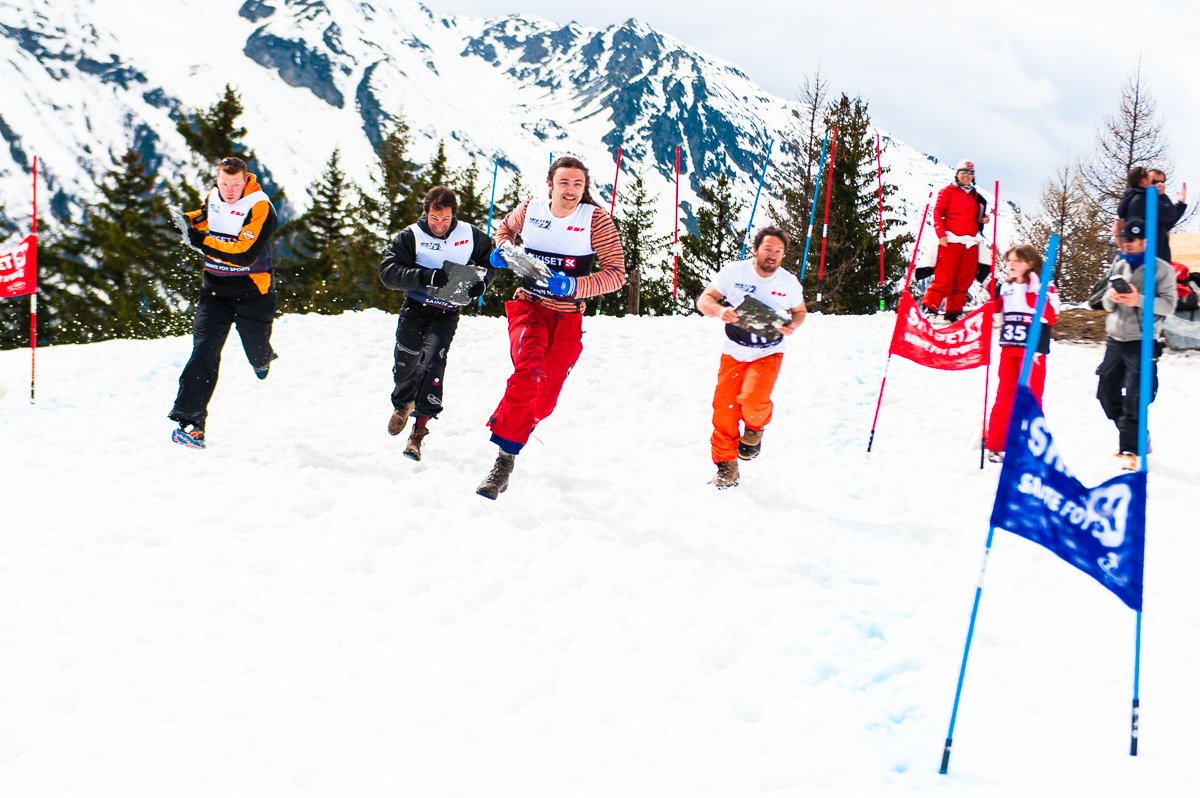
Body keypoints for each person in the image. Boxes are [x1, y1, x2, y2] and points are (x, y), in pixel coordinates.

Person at [475, 155, 626, 499]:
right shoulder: (531, 209)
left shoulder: (595, 220)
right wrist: (503, 250)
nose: (570, 190)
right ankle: (503, 462)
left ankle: (518, 426)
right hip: (528, 307)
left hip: (567, 316)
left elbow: (616, 274)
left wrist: (574, 286)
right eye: (564, 182)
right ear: (550, 184)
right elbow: (505, 229)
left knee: (542, 402)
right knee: (529, 372)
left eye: (578, 184)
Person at [168, 156, 279, 449]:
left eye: (235, 184)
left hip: (253, 294)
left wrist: (200, 241)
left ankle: (263, 359)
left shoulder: (260, 207)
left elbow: (244, 254)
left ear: (246, 181)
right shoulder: (215, 196)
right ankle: (192, 423)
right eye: (224, 183)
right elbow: (208, 214)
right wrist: (187, 220)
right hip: (214, 292)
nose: (229, 190)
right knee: (203, 350)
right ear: (217, 181)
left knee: (256, 351)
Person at [378, 186, 494, 460]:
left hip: (447, 311)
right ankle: (403, 403)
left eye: (445, 219)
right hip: (415, 307)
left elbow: (490, 260)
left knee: (433, 364)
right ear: (426, 213)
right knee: (406, 362)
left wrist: (483, 282)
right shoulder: (411, 236)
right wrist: (425, 276)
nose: (439, 225)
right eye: (434, 218)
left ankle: (418, 431)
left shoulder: (470, 235)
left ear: (454, 215)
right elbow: (388, 272)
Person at [696, 227, 806, 489]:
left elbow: (800, 311)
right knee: (724, 411)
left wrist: (793, 324)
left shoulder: (789, 282)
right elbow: (704, 300)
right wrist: (719, 311)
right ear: (755, 250)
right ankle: (726, 468)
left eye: (778, 251)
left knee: (753, 400)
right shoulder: (734, 272)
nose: (772, 255)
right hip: (734, 350)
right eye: (767, 249)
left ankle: (755, 427)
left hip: (769, 351)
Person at [1096, 217, 1177, 471]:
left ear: (1145, 241)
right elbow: (1105, 304)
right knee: (1105, 392)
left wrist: (1138, 299)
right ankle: (1138, 433)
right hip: (1115, 339)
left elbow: (1169, 305)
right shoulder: (1119, 265)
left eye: (1132, 239)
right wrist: (1113, 297)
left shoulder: (1162, 269)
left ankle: (1129, 450)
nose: (1127, 244)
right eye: (1124, 239)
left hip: (1142, 340)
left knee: (1135, 396)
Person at [983, 243, 1060, 463]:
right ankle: (997, 445)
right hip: (1009, 348)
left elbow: (1051, 316)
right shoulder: (1006, 287)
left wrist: (1035, 293)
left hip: (1032, 352)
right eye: (1009, 260)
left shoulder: (1046, 287)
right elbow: (997, 319)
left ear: (1030, 263)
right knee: (1004, 397)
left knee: (1031, 398)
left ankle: (1033, 446)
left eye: (1017, 260)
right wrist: (993, 300)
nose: (1011, 264)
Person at [921, 159, 990, 323]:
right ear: (957, 174)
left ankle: (953, 312)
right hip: (951, 240)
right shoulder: (947, 191)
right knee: (944, 278)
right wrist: (941, 235)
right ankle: (929, 308)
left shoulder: (976, 197)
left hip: (970, 242)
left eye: (970, 172)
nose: (967, 175)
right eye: (963, 171)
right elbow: (937, 213)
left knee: (964, 279)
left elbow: (976, 218)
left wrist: (983, 219)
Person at [1114, 167, 1187, 262]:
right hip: (1150, 259)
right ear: (1144, 181)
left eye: (1162, 182)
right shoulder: (1143, 198)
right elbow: (1170, 215)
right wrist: (1162, 195)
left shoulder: (1134, 197)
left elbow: (1164, 224)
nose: (1159, 185)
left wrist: (1180, 204)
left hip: (1150, 258)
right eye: (1154, 181)